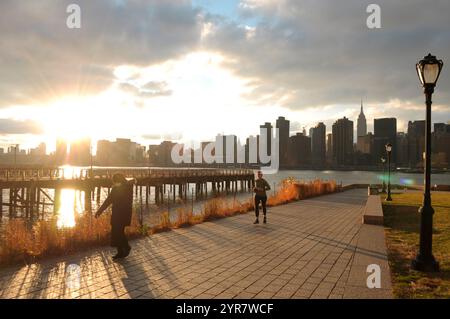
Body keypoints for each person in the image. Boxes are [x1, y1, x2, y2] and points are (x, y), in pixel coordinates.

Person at [95, 173, 134, 260]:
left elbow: (111, 200)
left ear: (119, 181)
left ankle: (126, 247)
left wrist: (99, 211)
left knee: (119, 232)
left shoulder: (126, 188)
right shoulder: (118, 188)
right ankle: (120, 252)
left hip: (123, 214)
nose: (114, 183)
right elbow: (109, 200)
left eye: (115, 182)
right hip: (117, 213)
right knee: (116, 232)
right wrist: (100, 211)